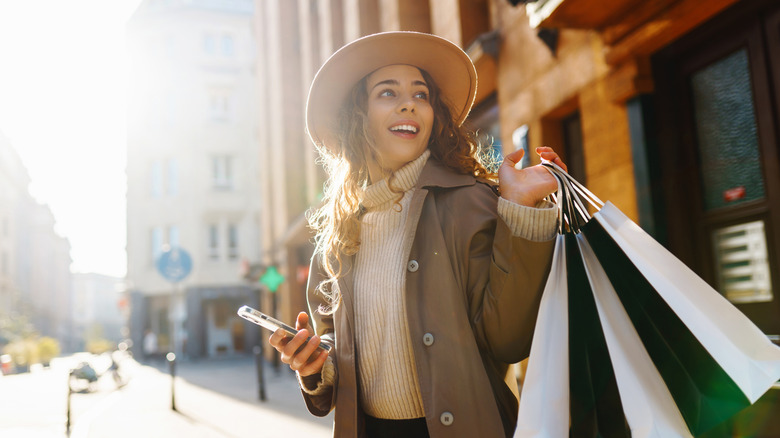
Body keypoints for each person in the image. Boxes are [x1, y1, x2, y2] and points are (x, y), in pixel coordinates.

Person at [269, 31, 567, 438]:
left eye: (421, 94)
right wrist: (314, 366)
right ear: (358, 116)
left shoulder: (472, 203)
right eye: (387, 93)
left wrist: (522, 212)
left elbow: (509, 341)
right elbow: (335, 351)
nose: (409, 103)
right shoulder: (335, 237)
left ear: (433, 116)